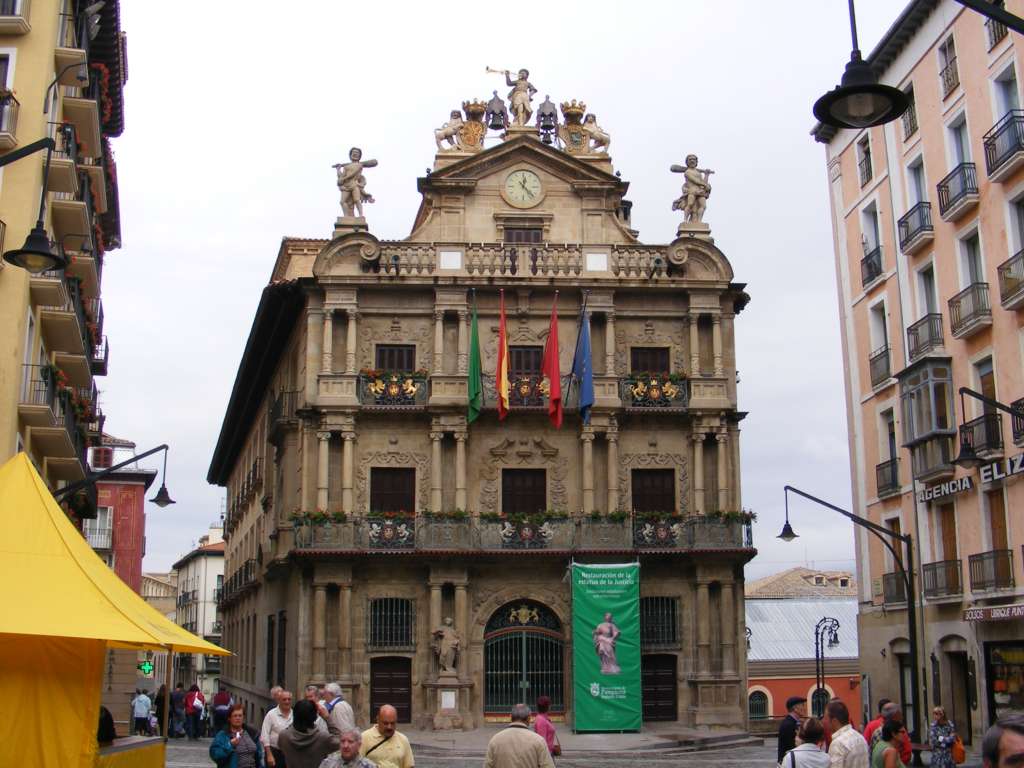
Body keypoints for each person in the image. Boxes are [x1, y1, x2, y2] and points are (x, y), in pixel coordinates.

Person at [484, 703, 555, 768]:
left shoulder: (495, 740)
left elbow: (487, 765)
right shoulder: (538, 741)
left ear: (510, 717)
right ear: (529, 718)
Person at [279, 699, 340, 768]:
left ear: (294, 714)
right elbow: (339, 740)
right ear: (314, 717)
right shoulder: (322, 738)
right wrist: (327, 717)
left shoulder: (284, 736)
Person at [210, 703, 264, 768]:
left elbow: (259, 756)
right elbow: (215, 755)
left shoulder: (252, 734)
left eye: (240, 715)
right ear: (229, 718)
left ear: (243, 717)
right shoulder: (223, 735)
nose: (238, 718)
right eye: (235, 716)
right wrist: (230, 745)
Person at [826, 700, 869, 768]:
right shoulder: (860, 737)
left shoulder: (838, 743)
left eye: (826, 718)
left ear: (834, 721)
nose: (825, 722)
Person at [261, 689, 294, 768]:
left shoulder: (295, 714)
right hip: (274, 753)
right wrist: (269, 755)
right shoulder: (271, 714)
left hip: (290, 753)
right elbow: (264, 735)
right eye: (284, 699)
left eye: (289, 699)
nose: (287, 702)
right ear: (279, 700)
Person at [779, 696, 808, 764]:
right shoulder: (789, 724)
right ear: (795, 708)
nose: (804, 708)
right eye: (802, 705)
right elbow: (791, 747)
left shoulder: (793, 722)